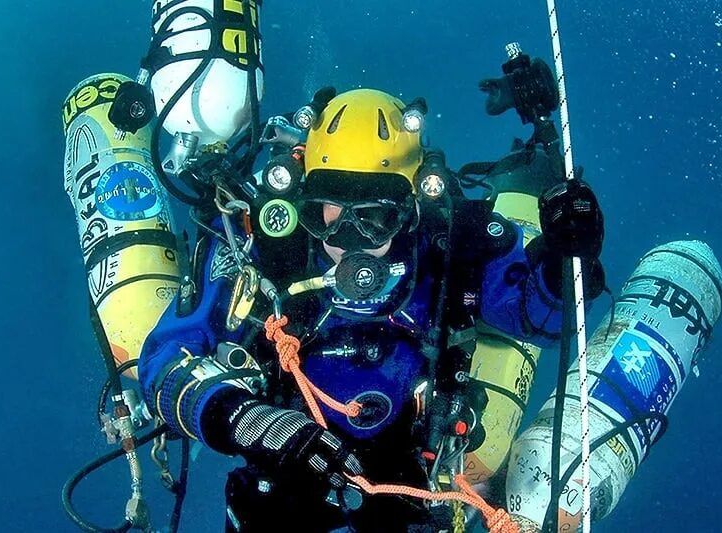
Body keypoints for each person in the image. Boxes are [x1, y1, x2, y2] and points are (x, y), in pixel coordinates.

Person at [137, 87, 605, 532]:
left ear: (410, 206)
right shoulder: (267, 255)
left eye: (374, 215)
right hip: (279, 493)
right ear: (305, 200)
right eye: (332, 212)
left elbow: (542, 321)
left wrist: (566, 258)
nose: (352, 240)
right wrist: (249, 421)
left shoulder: (448, 247)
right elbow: (161, 364)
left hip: (413, 491)